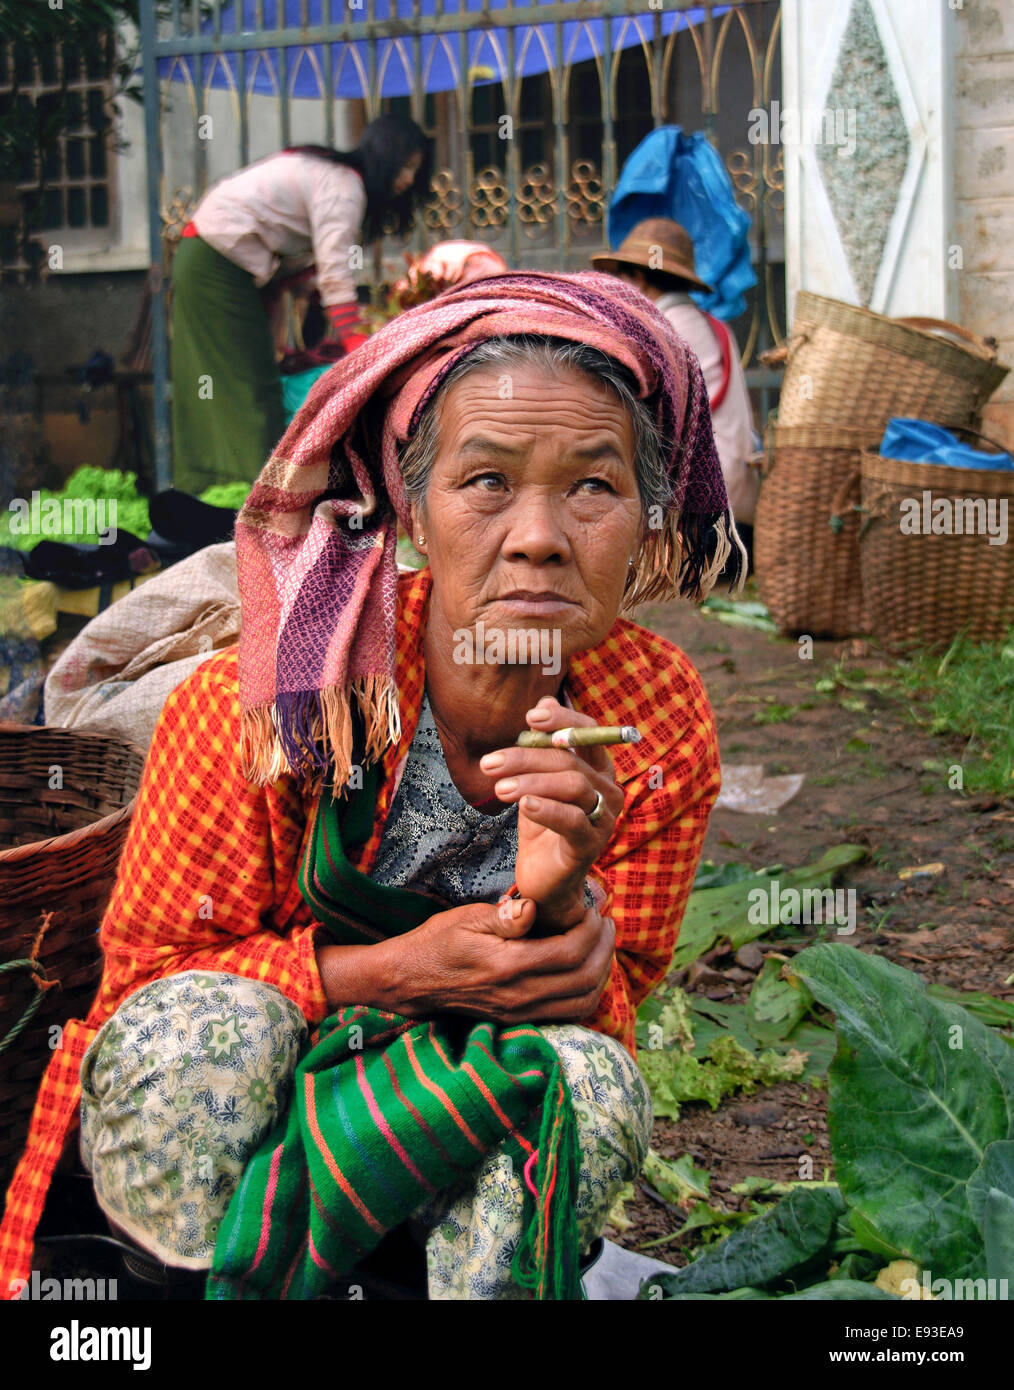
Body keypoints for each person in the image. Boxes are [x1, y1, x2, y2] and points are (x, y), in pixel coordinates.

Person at [0, 271, 742, 1301]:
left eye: (593, 485)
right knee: (196, 1041)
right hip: (267, 1069)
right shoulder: (269, 706)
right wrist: (401, 968)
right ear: (414, 512)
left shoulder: (654, 720)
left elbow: (614, 1002)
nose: (539, 534)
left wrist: (565, 903)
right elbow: (148, 987)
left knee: (591, 1086)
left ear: (646, 515)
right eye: (486, 482)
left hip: (460, 1081)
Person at [170, 114, 431, 494]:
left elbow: (287, 276)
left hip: (215, 260)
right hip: (214, 263)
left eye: (415, 171)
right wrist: (361, 353)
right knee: (245, 384)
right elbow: (335, 277)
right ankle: (246, 496)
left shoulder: (333, 177)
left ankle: (230, 490)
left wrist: (278, 329)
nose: (408, 180)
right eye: (406, 167)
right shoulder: (344, 186)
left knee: (244, 376)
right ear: (386, 156)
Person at [593, 217, 758, 553]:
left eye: (624, 277)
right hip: (739, 498)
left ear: (638, 278)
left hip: (705, 512)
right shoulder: (709, 323)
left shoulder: (662, 329)